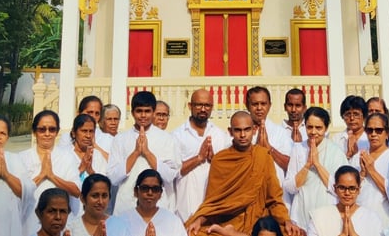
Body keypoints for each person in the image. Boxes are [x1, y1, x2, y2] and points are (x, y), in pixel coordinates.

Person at [185, 110, 301, 236]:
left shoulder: (262, 156)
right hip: (227, 222)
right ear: (230, 132)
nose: (243, 135)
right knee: (193, 232)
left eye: (247, 130)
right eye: (238, 130)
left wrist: (286, 220)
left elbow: (274, 198)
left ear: (254, 130)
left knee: (295, 233)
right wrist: (198, 220)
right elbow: (213, 203)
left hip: (257, 223)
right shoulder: (220, 160)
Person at [108, 90, 180, 214]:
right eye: (139, 111)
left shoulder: (167, 139)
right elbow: (113, 178)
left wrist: (147, 153)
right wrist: (136, 153)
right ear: (132, 112)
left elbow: (170, 176)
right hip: (126, 205)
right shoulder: (120, 139)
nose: (143, 115)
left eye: (147, 111)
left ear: (153, 112)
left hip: (158, 206)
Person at [173, 88, 232, 221]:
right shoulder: (177, 136)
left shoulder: (220, 135)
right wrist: (198, 158)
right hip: (186, 208)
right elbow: (173, 172)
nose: (203, 109)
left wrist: (215, 160)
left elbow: (229, 171)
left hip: (212, 208)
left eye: (207, 105)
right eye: (199, 105)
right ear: (190, 106)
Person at [283, 106, 347, 227]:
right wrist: (307, 165)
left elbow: (339, 189)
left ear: (326, 128)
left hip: (327, 215)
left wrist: (317, 164)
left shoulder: (336, 152)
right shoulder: (298, 149)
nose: (313, 132)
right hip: (300, 215)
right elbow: (289, 187)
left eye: (318, 128)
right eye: (309, 127)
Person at [20, 110, 80, 232]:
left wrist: (52, 176)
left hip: (60, 223)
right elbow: (18, 192)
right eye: (42, 129)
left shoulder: (67, 157)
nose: (47, 134)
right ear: (34, 132)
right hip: (29, 221)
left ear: (57, 132)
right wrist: (41, 175)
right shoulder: (22, 158)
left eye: (52, 129)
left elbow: (76, 191)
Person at [308, 165, 382, 236]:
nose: (347, 193)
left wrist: (353, 234)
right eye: (342, 188)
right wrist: (343, 234)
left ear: (359, 190)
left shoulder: (371, 218)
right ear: (335, 188)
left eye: (352, 188)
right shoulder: (319, 217)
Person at [245, 86, 292, 188]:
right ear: (247, 106)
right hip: (249, 190)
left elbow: (291, 165)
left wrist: (270, 149)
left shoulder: (280, 132)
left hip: (276, 191)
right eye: (255, 104)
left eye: (263, 104)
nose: (259, 108)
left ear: (269, 105)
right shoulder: (240, 132)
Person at [116, 168, 186, 235]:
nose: (150, 193)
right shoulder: (122, 221)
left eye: (155, 189)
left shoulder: (173, 222)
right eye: (145, 188)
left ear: (160, 193)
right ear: (136, 191)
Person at [356, 112, 389, 227]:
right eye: (370, 130)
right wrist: (362, 174)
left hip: (384, 218)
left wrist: (372, 171)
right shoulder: (358, 156)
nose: (373, 134)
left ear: (387, 133)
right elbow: (350, 189)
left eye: (378, 130)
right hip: (360, 216)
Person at [69, 114, 108, 183]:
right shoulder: (64, 154)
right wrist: (81, 169)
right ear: (74, 133)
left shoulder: (97, 155)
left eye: (91, 131)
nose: (88, 135)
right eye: (84, 131)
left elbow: (104, 184)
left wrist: (91, 172)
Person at [336, 96, 369, 166]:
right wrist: (348, 155)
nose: (352, 118)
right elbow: (333, 165)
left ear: (364, 116)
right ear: (343, 117)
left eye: (356, 114)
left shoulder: (371, 137)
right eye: (348, 114)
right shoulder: (336, 139)